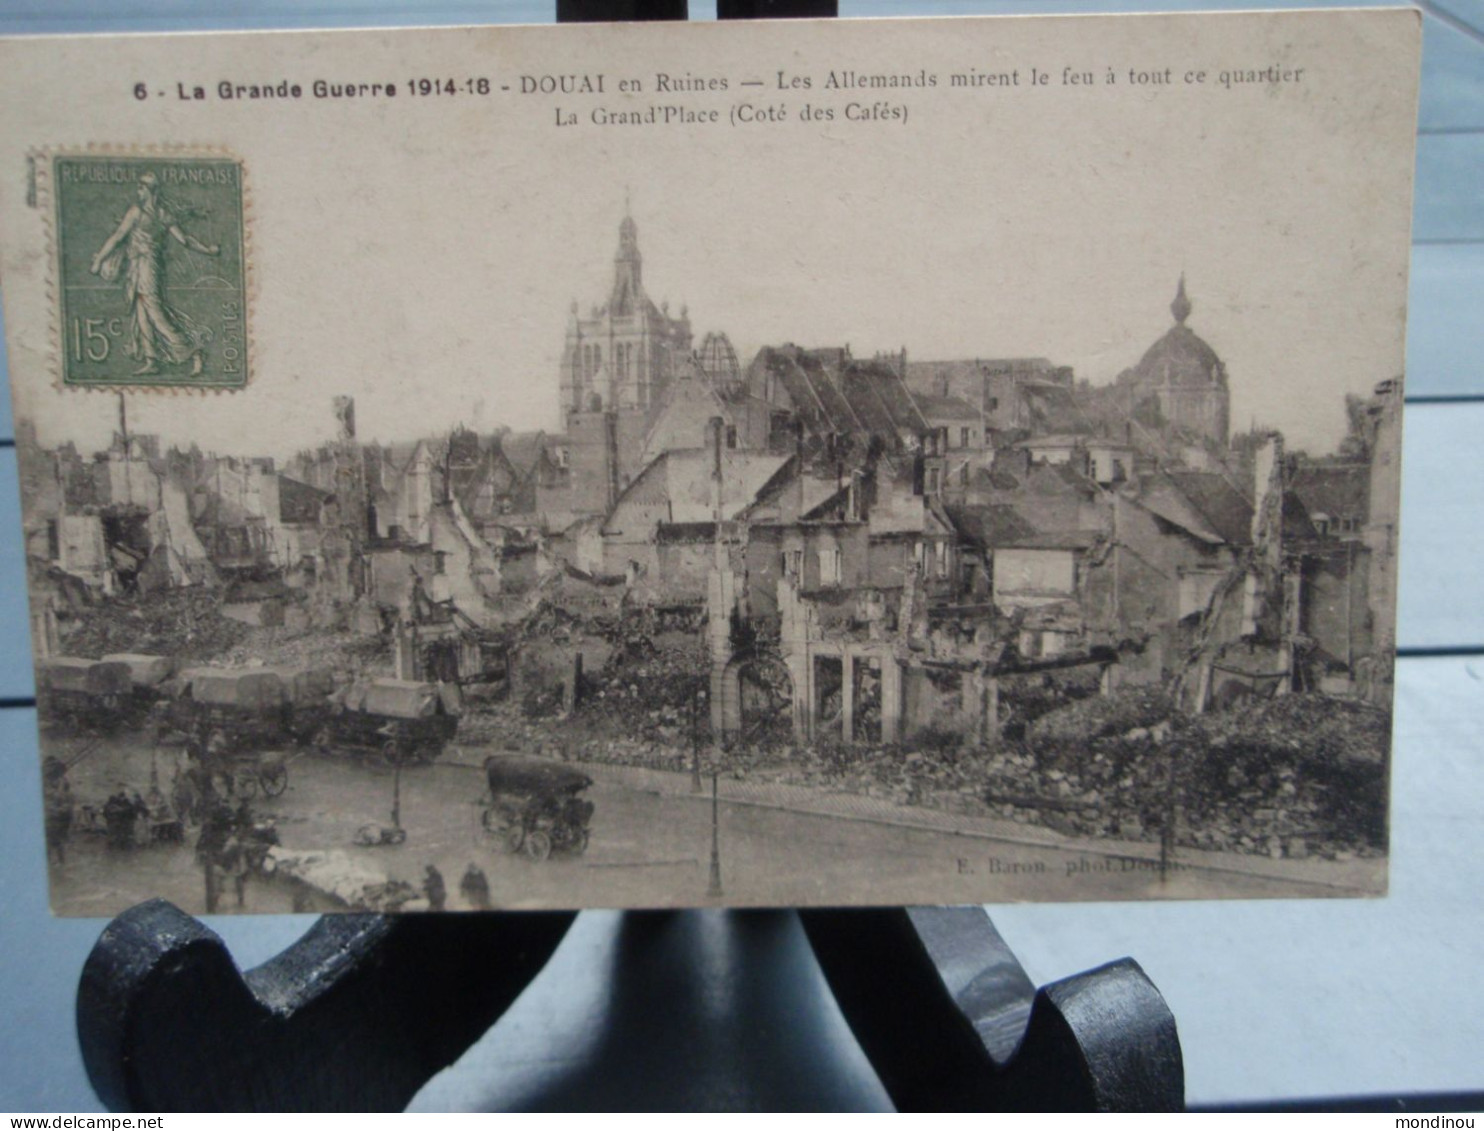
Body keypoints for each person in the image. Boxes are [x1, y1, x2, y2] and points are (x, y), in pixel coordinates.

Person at [89, 171, 220, 377]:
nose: (138, 191)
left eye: (141, 187)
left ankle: (191, 351)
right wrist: (208, 250)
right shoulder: (161, 213)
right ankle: (152, 361)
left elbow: (118, 237)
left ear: (149, 191)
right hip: (139, 265)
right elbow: (184, 240)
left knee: (155, 312)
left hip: (147, 266)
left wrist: (98, 260)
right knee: (141, 311)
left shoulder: (139, 213)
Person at [42, 757, 74, 865]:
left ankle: (61, 862)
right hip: (50, 815)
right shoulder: (45, 782)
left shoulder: (63, 782)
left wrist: (62, 808)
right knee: (50, 841)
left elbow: (67, 799)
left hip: (59, 817)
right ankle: (51, 861)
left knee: (58, 841)